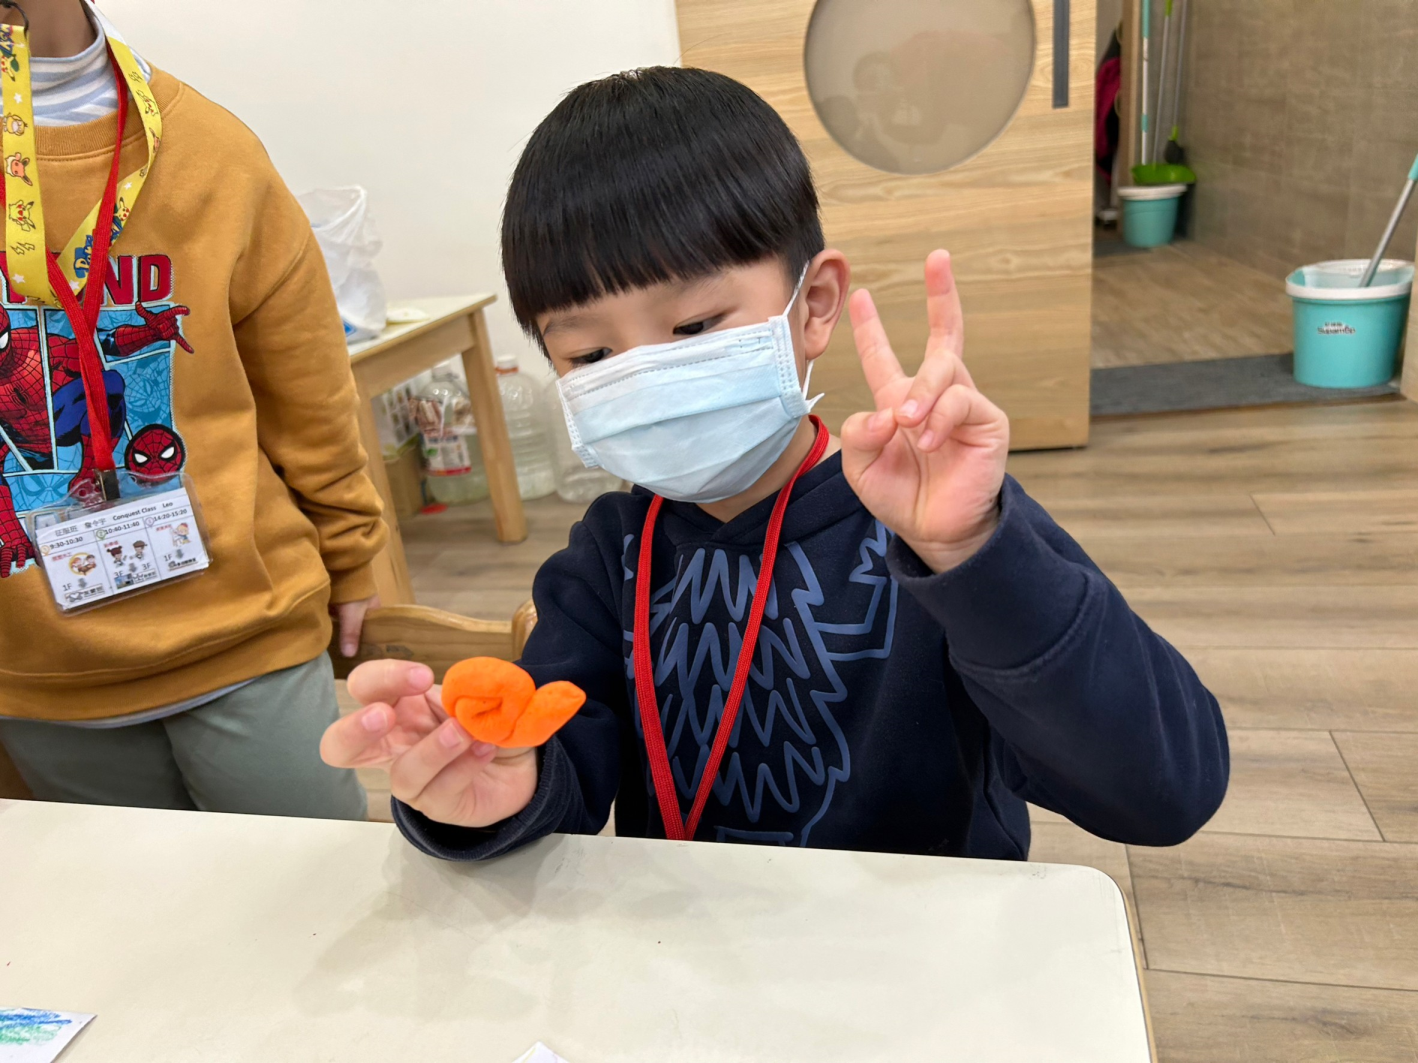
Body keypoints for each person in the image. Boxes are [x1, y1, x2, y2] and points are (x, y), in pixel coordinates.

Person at [322, 67, 1228, 858]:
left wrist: (976, 555)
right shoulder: (608, 559)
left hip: (923, 964)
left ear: (815, 304)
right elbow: (560, 772)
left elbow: (1165, 790)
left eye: (694, 326)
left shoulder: (935, 533)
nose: (649, 375)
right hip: (692, 959)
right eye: (591, 355)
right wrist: (488, 790)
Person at [0, 0, 385, 819]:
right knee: (132, 905)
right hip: (39, 672)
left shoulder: (212, 152)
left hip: (243, 635)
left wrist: (352, 550)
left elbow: (307, 387)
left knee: (318, 887)